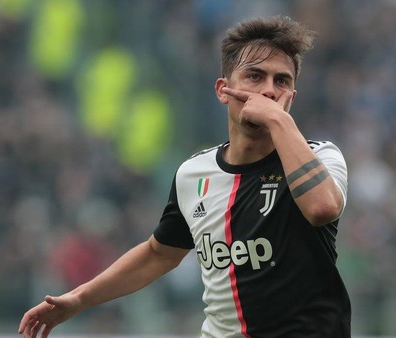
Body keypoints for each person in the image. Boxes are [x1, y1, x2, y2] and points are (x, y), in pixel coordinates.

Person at [19, 15, 351, 338]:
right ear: (223, 90)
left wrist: (279, 122)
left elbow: (322, 208)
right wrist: (79, 299)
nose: (268, 90)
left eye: (282, 81)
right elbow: (158, 254)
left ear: (292, 96)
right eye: (254, 76)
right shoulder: (194, 173)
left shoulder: (321, 156)